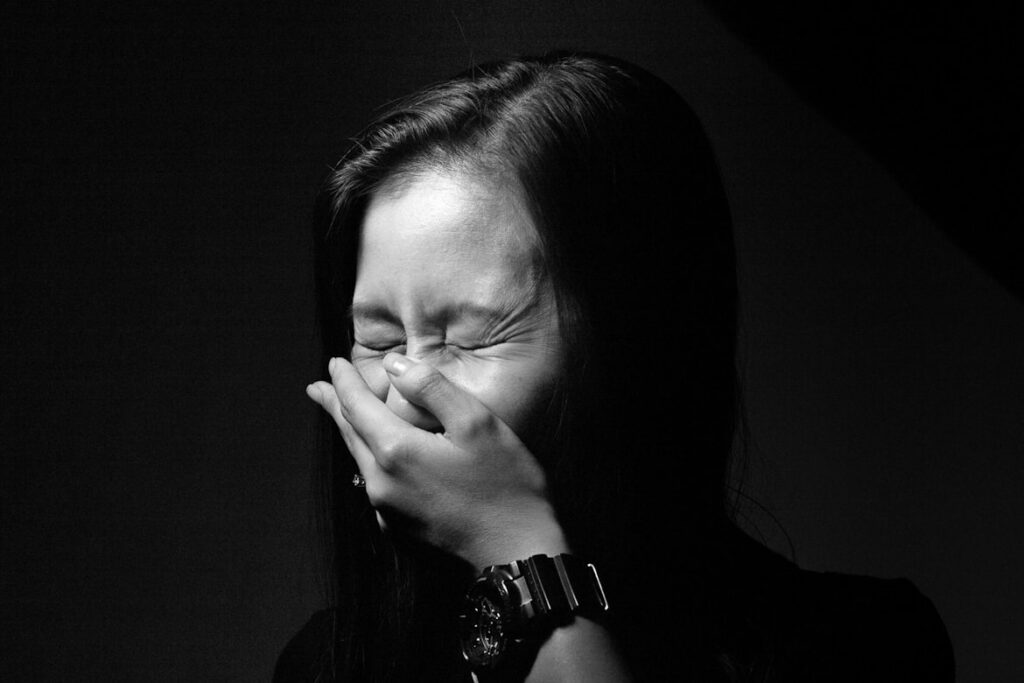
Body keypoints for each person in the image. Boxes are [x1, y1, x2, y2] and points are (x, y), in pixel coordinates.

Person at [276, 52, 954, 682]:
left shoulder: (865, 646)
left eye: (474, 339)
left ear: (636, 342)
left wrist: (516, 548)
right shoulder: (326, 664)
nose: (401, 401)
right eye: (381, 339)